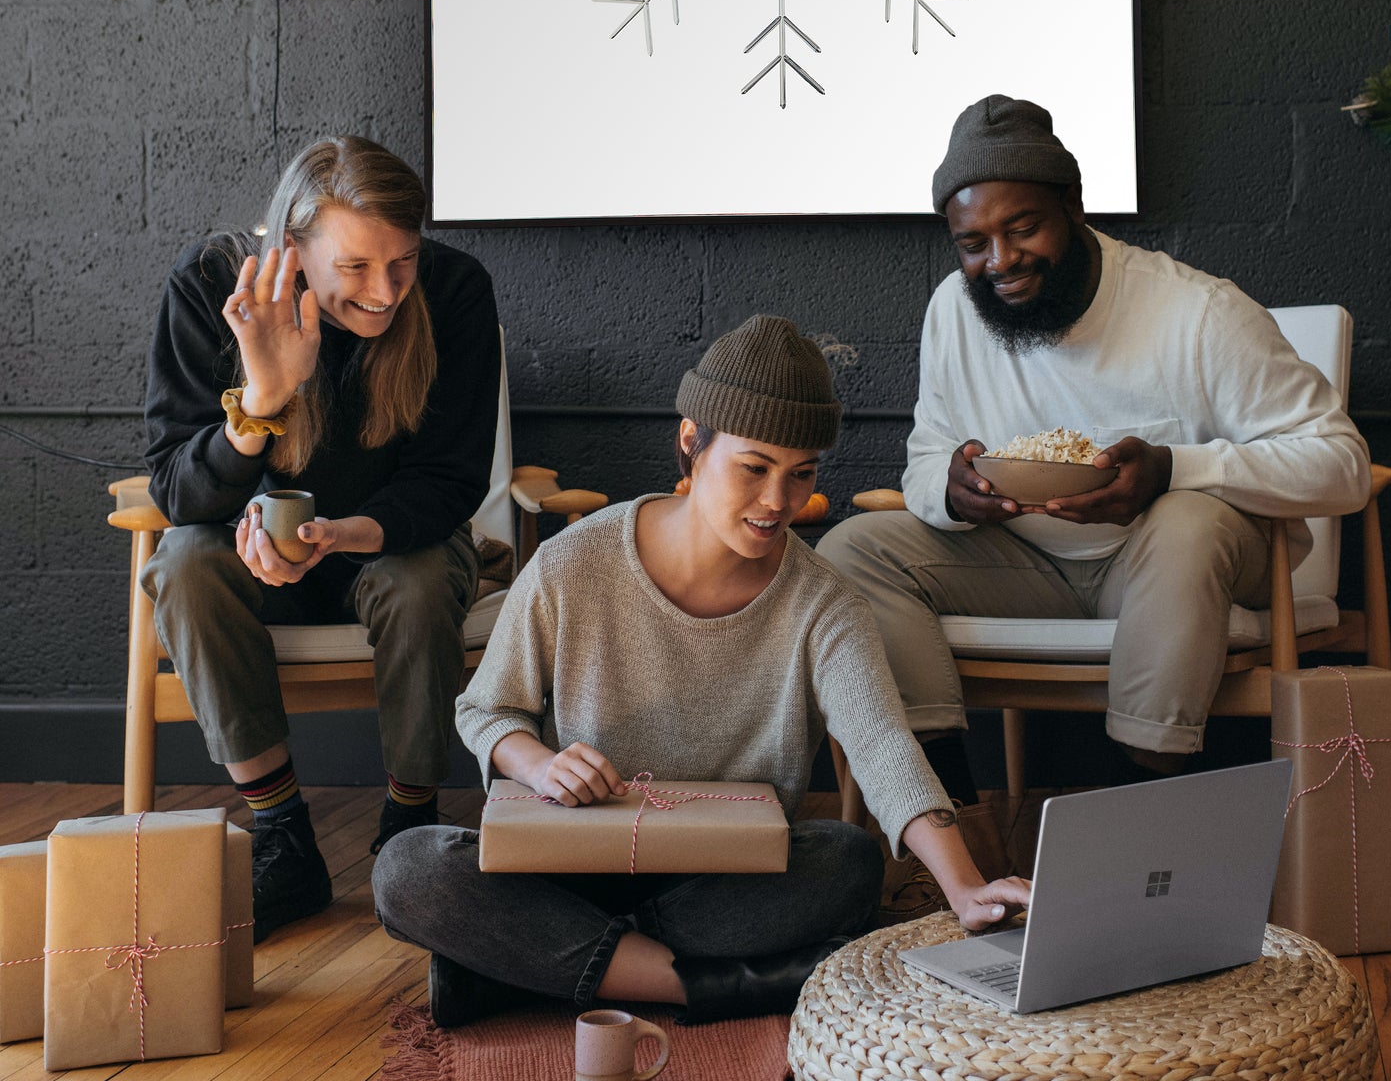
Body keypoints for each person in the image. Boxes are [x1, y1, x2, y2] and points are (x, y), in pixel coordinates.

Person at [372, 316, 1030, 1026]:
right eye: (753, 468)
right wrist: (536, 766)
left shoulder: (824, 602)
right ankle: (711, 988)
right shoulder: (573, 563)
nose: (778, 502)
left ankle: (523, 974)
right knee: (409, 868)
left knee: (843, 860)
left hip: (722, 881)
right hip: (566, 867)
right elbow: (484, 710)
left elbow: (879, 743)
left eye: (800, 473)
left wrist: (964, 888)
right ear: (691, 443)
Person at [817, 93, 1373, 773]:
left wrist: (1172, 471)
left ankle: (1144, 797)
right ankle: (947, 816)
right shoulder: (953, 311)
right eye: (972, 243)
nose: (1000, 261)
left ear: (1074, 207)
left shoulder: (1199, 313)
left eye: (1023, 228)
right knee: (853, 548)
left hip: (1188, 565)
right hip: (1027, 564)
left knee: (1187, 520)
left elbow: (1340, 465)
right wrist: (952, 490)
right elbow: (927, 457)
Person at [143, 136, 501, 941]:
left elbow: (449, 479)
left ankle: (408, 825)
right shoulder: (208, 288)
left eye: (401, 261)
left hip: (388, 541)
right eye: (356, 268)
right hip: (252, 550)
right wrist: (265, 395)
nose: (384, 293)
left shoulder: (454, 292)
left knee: (415, 581)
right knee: (186, 567)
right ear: (293, 247)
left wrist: (352, 532)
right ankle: (283, 836)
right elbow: (176, 488)